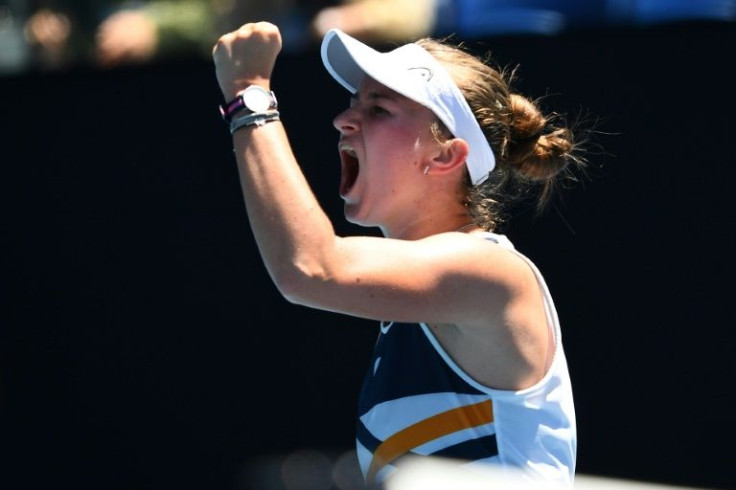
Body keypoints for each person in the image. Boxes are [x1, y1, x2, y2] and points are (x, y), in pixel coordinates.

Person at [212, 21, 585, 489]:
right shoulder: (417, 310)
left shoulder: (491, 273)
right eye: (353, 104)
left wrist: (249, 96)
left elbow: (311, 268)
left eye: (380, 109)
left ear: (446, 156)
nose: (343, 121)